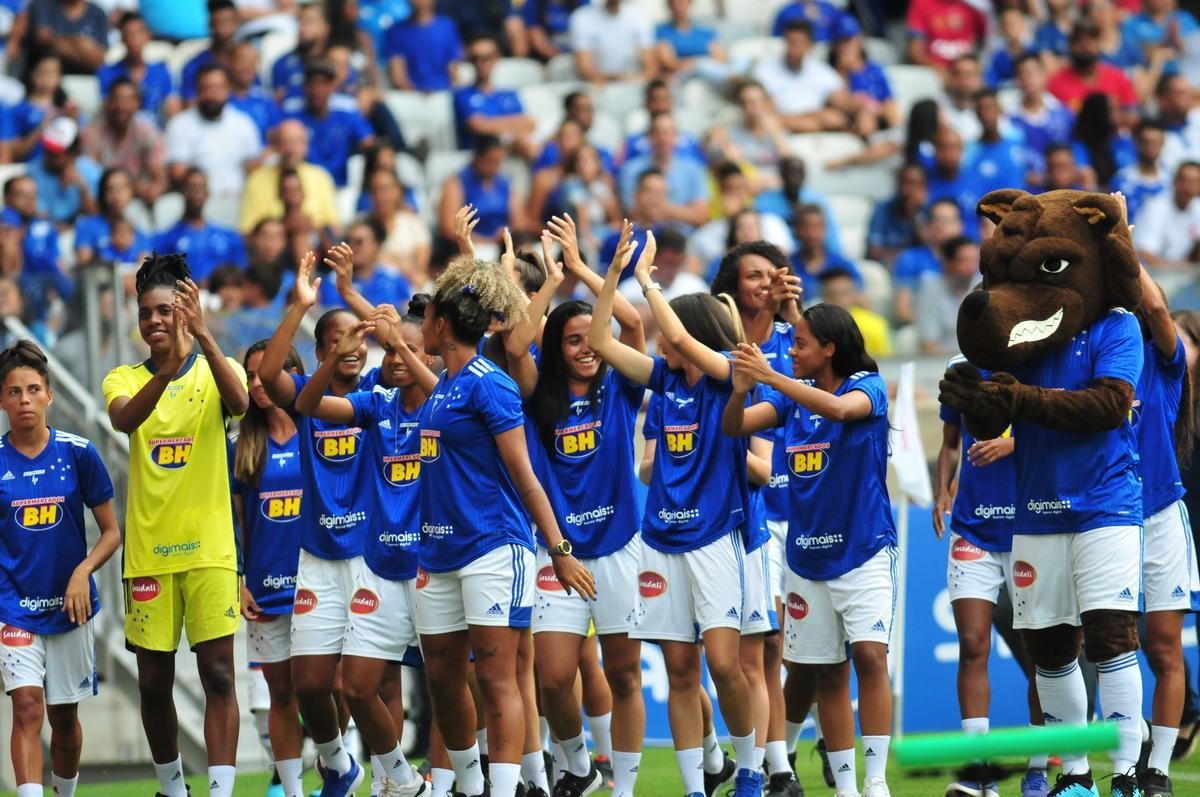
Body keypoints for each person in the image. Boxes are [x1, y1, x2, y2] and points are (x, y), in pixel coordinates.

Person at [589, 231, 768, 797]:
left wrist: (648, 281)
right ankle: (696, 787)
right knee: (681, 671)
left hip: (714, 537)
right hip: (660, 539)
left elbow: (679, 335)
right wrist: (612, 274)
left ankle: (750, 771)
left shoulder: (725, 379)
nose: (664, 343)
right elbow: (600, 338)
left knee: (723, 663)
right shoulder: (663, 383)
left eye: (672, 336)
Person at [414, 250, 594, 797]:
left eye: (425, 317)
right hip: (437, 554)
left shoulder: (489, 383)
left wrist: (559, 548)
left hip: (493, 548)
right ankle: (470, 787)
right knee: (445, 683)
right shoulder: (443, 385)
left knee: (497, 679)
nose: (420, 323)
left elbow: (525, 473)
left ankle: (505, 786)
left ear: (441, 325)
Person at [721, 303, 896, 797]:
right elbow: (735, 428)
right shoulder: (792, 400)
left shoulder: (867, 387)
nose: (790, 352)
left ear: (830, 349)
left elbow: (840, 411)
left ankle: (876, 782)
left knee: (869, 657)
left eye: (799, 345)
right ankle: (846, 788)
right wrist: (739, 393)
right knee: (827, 674)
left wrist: (771, 377)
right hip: (806, 559)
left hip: (864, 550)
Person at [504, 217, 646, 797]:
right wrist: (548, 283)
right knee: (555, 678)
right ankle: (579, 767)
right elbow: (515, 343)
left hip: (621, 545)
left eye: (594, 338)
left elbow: (634, 324)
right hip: (558, 551)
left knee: (623, 674)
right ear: (557, 349)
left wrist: (597, 271)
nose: (586, 348)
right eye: (573, 340)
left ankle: (626, 788)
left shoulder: (622, 385)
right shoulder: (539, 395)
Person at [101, 253, 249, 797]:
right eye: (146, 313)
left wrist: (206, 341)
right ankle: (172, 788)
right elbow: (123, 420)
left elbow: (241, 405)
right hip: (148, 554)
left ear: (185, 312)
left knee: (219, 675)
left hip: (210, 549)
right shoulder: (125, 376)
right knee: (153, 684)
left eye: (166, 310)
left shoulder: (220, 367)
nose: (155, 322)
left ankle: (220, 792)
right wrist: (165, 375)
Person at [293, 282, 438, 797]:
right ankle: (397, 780)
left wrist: (394, 337)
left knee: (451, 688)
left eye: (410, 351)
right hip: (380, 564)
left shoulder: (448, 405)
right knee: (358, 686)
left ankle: (460, 780)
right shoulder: (376, 405)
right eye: (391, 351)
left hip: (437, 565)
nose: (396, 359)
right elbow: (308, 404)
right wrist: (338, 350)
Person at [257, 248, 382, 797]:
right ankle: (338, 766)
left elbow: (407, 347)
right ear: (319, 351)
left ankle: (387, 778)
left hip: (375, 555)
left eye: (356, 338)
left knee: (367, 683)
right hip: (318, 556)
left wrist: (357, 301)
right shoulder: (309, 399)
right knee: (309, 685)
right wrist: (302, 304)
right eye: (335, 341)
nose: (350, 347)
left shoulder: (383, 392)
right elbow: (268, 373)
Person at [708, 240, 807, 797]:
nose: (766, 284)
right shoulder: (717, 348)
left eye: (774, 275)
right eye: (754, 275)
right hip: (754, 512)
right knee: (764, 643)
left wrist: (796, 313)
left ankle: (782, 752)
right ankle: (774, 766)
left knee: (802, 652)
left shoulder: (799, 339)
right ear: (732, 286)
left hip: (807, 508)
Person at [0, 340, 121, 797]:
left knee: (64, 718)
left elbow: (111, 532)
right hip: (13, 606)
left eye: (33, 389)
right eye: (14, 391)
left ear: (49, 395)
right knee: (27, 708)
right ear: (2, 400)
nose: (24, 400)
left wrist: (81, 571)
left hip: (70, 610)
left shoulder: (78, 453)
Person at [934, 355, 1049, 797]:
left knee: (1042, 651)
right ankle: (979, 771)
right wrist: (942, 490)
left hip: (1031, 526)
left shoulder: (1040, 361)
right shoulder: (959, 366)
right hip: (973, 528)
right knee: (972, 644)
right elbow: (949, 442)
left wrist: (1014, 444)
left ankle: (1036, 769)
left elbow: (1062, 428)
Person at [1131, 262, 1200, 797]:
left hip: (1160, 515)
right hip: (1107, 518)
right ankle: (1119, 760)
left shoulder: (1166, 364)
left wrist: (1120, 242)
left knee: (1164, 643)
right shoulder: (1098, 364)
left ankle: (1157, 767)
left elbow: (1156, 308)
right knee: (1114, 644)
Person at [231, 341, 307, 797]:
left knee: (330, 688)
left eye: (267, 374)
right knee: (279, 695)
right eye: (251, 377)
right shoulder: (242, 445)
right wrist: (240, 579)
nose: (258, 385)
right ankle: (293, 789)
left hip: (319, 584)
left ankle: (340, 764)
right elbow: (237, 521)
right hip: (264, 586)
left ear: (293, 372)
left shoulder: (319, 427)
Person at [163, 63, 263, 198]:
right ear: (197, 91)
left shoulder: (243, 124)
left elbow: (254, 170)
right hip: (196, 204)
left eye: (218, 88)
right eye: (206, 88)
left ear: (228, 89)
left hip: (237, 202)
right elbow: (177, 172)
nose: (212, 95)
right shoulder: (179, 125)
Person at [282, 59, 375, 189]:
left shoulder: (346, 111)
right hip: (304, 188)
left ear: (332, 86)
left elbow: (369, 142)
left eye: (323, 83)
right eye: (312, 84)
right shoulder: (293, 114)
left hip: (341, 187)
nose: (317, 90)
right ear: (304, 87)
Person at [239, 119, 339, 236]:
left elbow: (335, 227)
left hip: (314, 243)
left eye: (296, 142)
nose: (290, 149)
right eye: (285, 142)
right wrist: (284, 227)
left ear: (306, 146)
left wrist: (311, 226)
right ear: (275, 146)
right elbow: (246, 231)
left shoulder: (321, 177)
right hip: (272, 246)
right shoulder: (256, 180)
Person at [80, 78, 168, 209]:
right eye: (116, 99)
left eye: (128, 100)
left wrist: (154, 191)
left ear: (138, 104)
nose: (121, 106)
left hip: (138, 203)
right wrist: (132, 187)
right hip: (104, 203)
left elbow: (160, 178)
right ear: (107, 103)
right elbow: (91, 181)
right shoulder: (91, 134)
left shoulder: (147, 132)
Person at [753, 20, 850, 134]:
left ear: (810, 46)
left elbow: (841, 107)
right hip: (781, 134)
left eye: (798, 43)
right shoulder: (764, 72)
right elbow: (766, 116)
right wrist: (816, 118)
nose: (792, 48)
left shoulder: (822, 71)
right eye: (789, 42)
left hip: (818, 132)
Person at [155, 168, 247, 284]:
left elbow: (241, 273)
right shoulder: (167, 238)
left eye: (201, 187)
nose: (196, 192)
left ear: (208, 193)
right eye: (192, 187)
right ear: (183, 192)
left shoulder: (229, 237)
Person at [618, 114, 709, 230]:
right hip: (643, 234)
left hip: (685, 238)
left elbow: (701, 216)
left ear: (676, 137)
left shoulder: (694, 169)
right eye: (658, 133)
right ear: (650, 136)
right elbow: (631, 212)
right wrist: (684, 212)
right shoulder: (630, 169)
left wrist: (666, 209)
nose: (663, 138)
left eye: (667, 133)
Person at [453, 34, 536, 157]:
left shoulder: (509, 93)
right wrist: (513, 124)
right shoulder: (462, 95)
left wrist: (490, 123)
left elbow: (528, 123)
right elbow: (477, 126)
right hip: (480, 155)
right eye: (475, 58)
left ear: (496, 58)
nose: (481, 63)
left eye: (486, 57)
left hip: (513, 150)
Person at [439, 136, 524, 245]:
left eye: (498, 161)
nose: (494, 166)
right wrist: (485, 241)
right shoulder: (456, 183)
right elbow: (449, 227)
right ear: (478, 157)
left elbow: (520, 223)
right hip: (471, 246)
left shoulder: (505, 184)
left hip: (503, 244)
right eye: (490, 160)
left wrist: (506, 234)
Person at [97, 12, 178, 119]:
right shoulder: (107, 72)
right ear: (122, 38)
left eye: (138, 33)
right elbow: (108, 110)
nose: (134, 39)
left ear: (148, 36)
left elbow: (173, 107)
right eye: (129, 34)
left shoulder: (161, 70)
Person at [361, 167, 432, 288]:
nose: (379, 195)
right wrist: (398, 262)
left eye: (384, 189)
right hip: (370, 287)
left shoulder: (413, 224)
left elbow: (420, 269)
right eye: (374, 190)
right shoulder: (362, 224)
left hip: (408, 285)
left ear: (397, 191)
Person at [317, 220, 411, 309]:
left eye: (359, 242)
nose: (352, 246)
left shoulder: (394, 278)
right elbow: (335, 319)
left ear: (377, 246)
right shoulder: (333, 281)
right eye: (348, 241)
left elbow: (407, 311)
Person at [73, 167, 152, 266]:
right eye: (110, 189)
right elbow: (84, 264)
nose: (116, 195)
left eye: (122, 188)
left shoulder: (139, 229)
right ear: (103, 194)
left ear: (132, 191)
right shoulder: (88, 226)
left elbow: (145, 267)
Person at [915, 236, 980, 356]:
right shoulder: (930, 290)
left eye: (974, 261)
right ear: (948, 263)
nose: (971, 268)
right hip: (942, 363)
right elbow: (928, 344)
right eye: (964, 261)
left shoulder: (984, 287)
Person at [568, 0, 655, 85]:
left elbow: (650, 67)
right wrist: (616, 80)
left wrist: (634, 81)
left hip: (632, 84)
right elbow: (584, 69)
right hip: (595, 86)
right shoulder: (582, 17)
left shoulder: (639, 16)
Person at [1134, 160, 1200, 270]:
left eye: (1194, 182)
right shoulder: (1155, 208)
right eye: (1183, 180)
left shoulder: (1197, 208)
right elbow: (1145, 255)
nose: (1188, 187)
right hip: (1153, 275)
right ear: (1175, 181)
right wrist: (1182, 269)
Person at [386, 0, 462, 93]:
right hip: (411, 96)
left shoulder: (447, 26)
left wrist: (455, 85)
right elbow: (398, 73)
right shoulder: (397, 31)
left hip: (443, 92)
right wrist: (415, 91)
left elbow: (454, 64)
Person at [20, 0, 107, 74]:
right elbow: (42, 38)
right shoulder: (43, 5)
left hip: (85, 79)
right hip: (45, 77)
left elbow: (100, 57)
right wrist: (80, 46)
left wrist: (63, 44)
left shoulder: (98, 14)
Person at [867, 164, 926, 267]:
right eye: (903, 183)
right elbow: (873, 252)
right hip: (890, 269)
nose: (906, 190)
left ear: (923, 187)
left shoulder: (928, 211)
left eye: (913, 184)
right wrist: (906, 259)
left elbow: (934, 252)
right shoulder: (882, 210)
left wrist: (914, 214)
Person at [1113, 120, 1170, 221]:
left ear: (1163, 143)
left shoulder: (1170, 181)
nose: (1150, 147)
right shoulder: (1122, 179)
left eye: (1155, 143)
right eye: (1146, 142)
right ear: (1137, 143)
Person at [905, 0, 986, 71]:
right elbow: (915, 51)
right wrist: (938, 69)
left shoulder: (978, 5)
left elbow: (989, 42)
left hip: (967, 70)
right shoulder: (922, 3)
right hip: (934, 71)